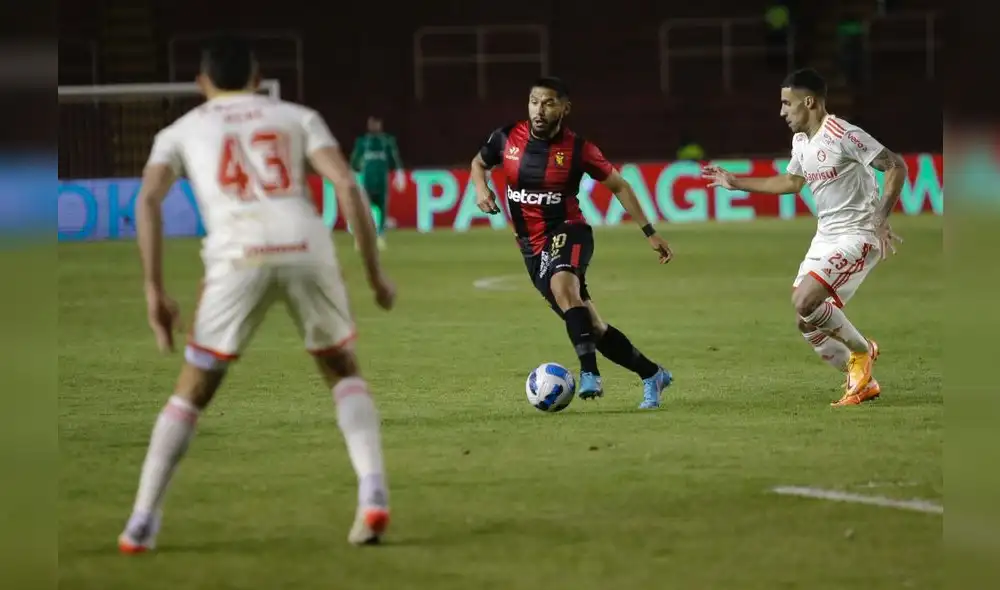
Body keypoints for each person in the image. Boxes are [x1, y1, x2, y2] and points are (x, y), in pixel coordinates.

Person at [119, 36, 396, 552]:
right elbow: (346, 184)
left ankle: (142, 520)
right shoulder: (297, 116)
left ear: (202, 82)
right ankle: (373, 493)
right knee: (342, 369)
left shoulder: (179, 131)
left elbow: (148, 200)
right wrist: (375, 276)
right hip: (305, 245)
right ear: (256, 77)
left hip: (236, 255)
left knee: (194, 388)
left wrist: (154, 289)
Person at [702, 68, 906, 406]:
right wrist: (737, 183)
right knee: (806, 321)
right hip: (825, 235)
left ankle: (862, 352)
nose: (782, 111)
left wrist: (881, 216)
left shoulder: (843, 134)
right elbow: (791, 183)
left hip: (857, 234)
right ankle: (862, 381)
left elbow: (895, 165)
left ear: (809, 102)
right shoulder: (801, 141)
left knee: (805, 301)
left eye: (787, 103)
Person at [470, 76, 675, 409]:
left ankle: (589, 372)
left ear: (565, 108)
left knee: (564, 287)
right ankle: (653, 374)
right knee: (590, 326)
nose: (539, 110)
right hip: (531, 248)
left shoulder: (579, 150)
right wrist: (481, 188)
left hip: (569, 230)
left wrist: (650, 232)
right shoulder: (505, 138)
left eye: (548, 103)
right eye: (534, 102)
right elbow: (479, 163)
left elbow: (620, 186)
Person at [350, 115, 406, 250]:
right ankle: (362, 238)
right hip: (367, 182)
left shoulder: (387, 141)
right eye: (372, 123)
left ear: (380, 125)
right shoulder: (362, 142)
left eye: (376, 123)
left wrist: (399, 174)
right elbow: (354, 161)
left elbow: (395, 159)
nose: (374, 126)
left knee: (382, 209)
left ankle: (380, 236)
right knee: (364, 210)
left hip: (382, 182)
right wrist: (352, 174)